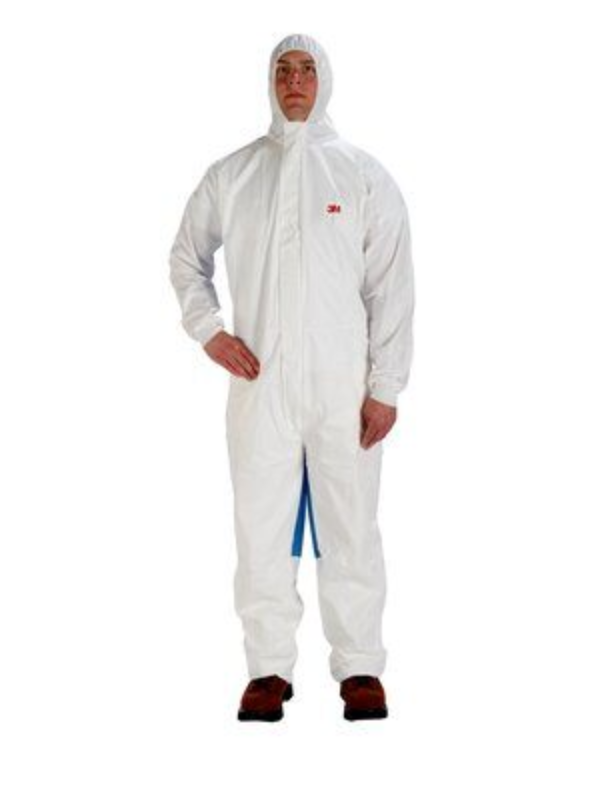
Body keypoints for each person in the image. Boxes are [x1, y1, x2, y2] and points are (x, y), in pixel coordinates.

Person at [169, 33, 415, 722]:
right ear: (270, 82)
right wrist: (210, 331)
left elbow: (392, 286)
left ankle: (360, 666)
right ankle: (268, 669)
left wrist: (386, 386)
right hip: (261, 385)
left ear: (324, 79)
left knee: (351, 525)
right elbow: (187, 257)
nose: (295, 80)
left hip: (344, 388)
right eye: (284, 70)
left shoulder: (361, 175)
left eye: (307, 69)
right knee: (261, 525)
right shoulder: (236, 174)